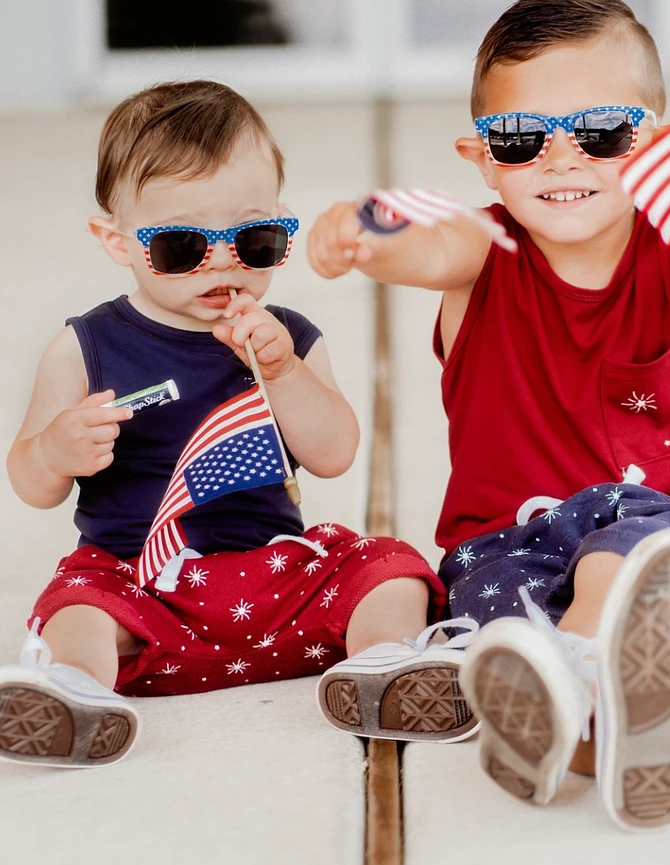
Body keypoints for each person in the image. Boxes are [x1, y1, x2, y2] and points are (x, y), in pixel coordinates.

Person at [306, 0, 670, 830]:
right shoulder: (481, 254)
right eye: (522, 141)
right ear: (483, 159)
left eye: (601, 133)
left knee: (632, 551)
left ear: (657, 142)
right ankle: (598, 730)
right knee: (499, 630)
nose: (562, 162)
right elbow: (428, 244)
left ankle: (584, 663)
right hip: (506, 549)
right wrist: (365, 231)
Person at [0, 80, 480, 769]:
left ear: (280, 227)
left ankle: (384, 665)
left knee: (390, 568)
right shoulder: (86, 345)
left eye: (253, 242)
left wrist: (285, 374)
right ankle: (73, 690)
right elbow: (32, 482)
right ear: (118, 242)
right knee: (78, 602)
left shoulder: (288, 337)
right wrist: (54, 449)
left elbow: (335, 452)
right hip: (144, 585)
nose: (222, 262)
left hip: (273, 579)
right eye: (179, 248)